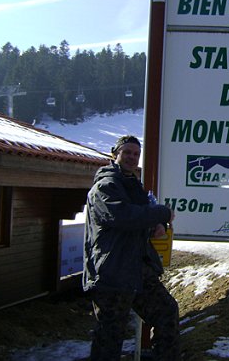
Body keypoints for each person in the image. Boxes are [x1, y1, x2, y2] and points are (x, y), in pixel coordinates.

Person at [83, 135, 180, 361]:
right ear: (114, 154)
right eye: (127, 152)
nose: (132, 157)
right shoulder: (105, 186)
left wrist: (155, 225)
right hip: (112, 274)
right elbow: (122, 216)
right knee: (110, 336)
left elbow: (135, 221)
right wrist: (161, 213)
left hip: (137, 270)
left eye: (136, 154)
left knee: (167, 312)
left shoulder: (132, 186)